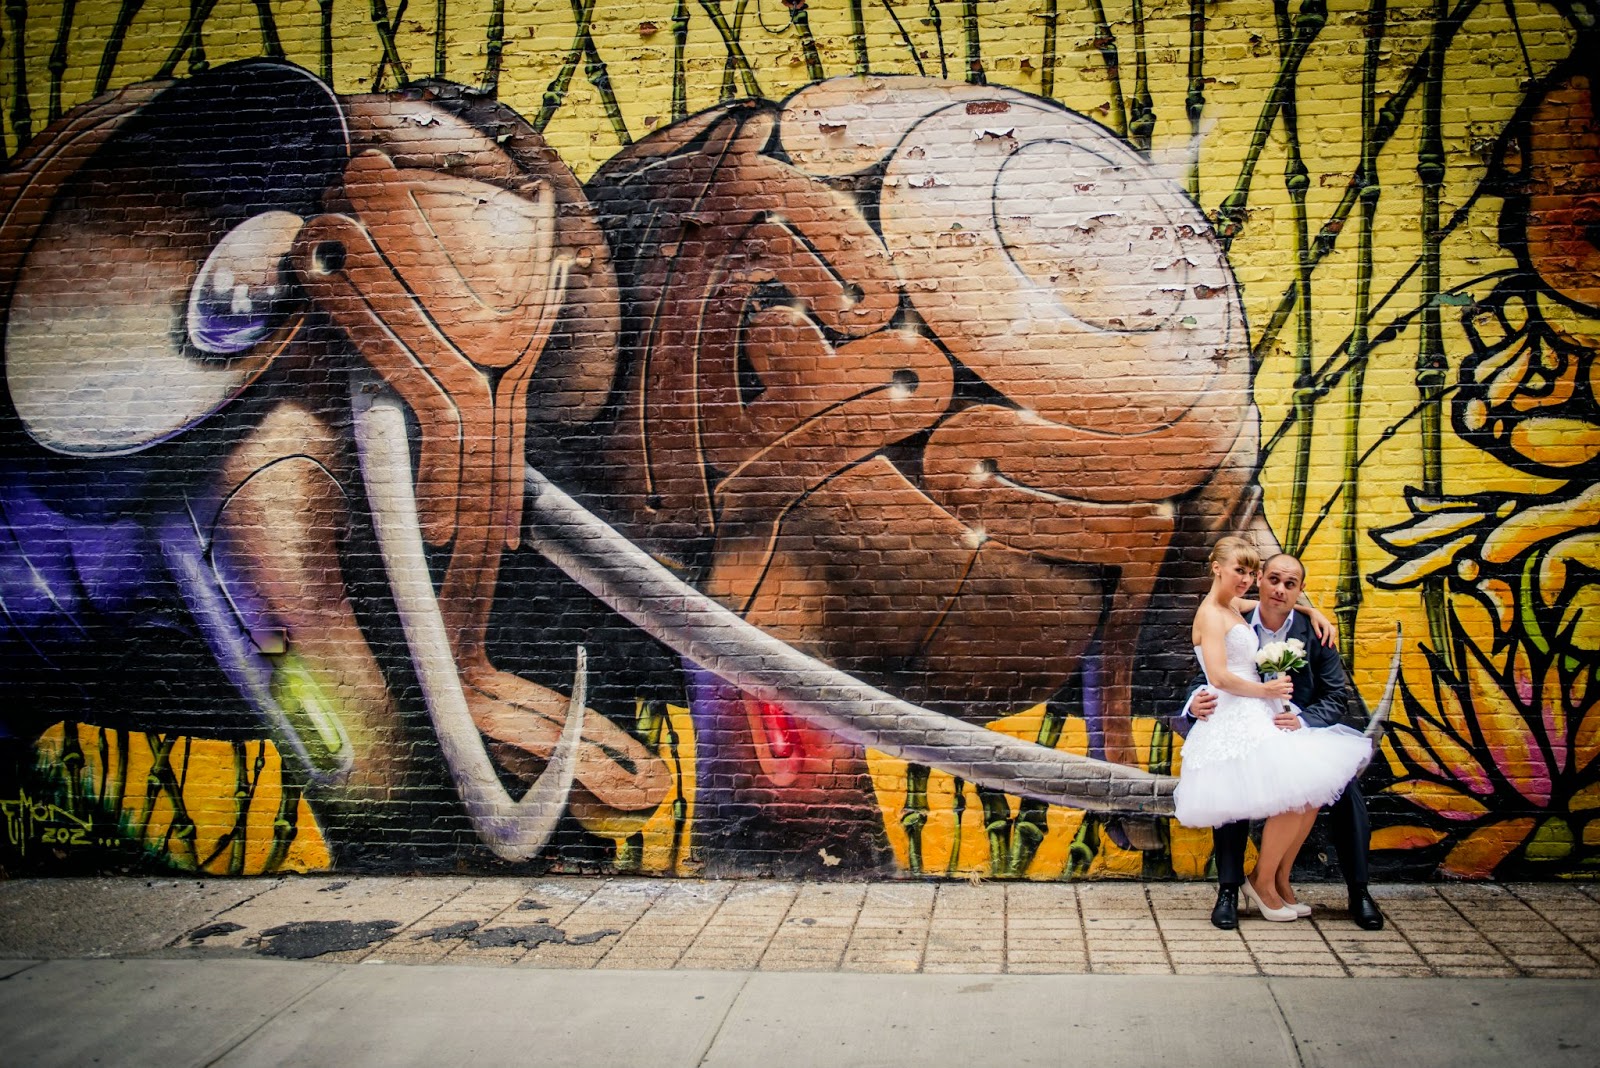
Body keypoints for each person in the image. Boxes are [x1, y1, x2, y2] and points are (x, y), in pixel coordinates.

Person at [1179, 550, 1387, 931]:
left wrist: (1302, 721)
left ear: (1300, 590)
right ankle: (1230, 889)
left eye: (1291, 584)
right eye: (1272, 579)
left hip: (1296, 725)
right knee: (1234, 786)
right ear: (1260, 581)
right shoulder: (1234, 613)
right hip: (1245, 716)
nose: (1280, 589)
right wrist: (1195, 702)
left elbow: (1335, 696)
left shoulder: (1317, 632)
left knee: (1337, 786)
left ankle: (1356, 891)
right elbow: (1210, 673)